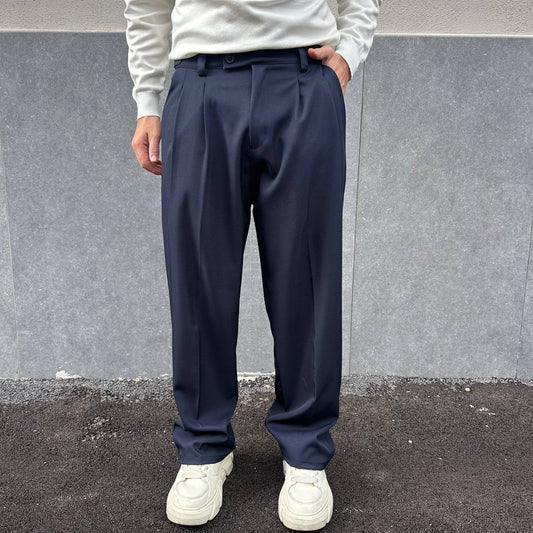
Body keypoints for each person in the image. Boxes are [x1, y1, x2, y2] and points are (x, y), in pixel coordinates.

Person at [123, 0, 382, 529]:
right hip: (201, 84)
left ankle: (306, 450)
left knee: (306, 277)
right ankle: (203, 446)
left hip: (303, 79)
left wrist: (349, 53)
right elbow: (145, 5)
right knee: (198, 277)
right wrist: (148, 100)